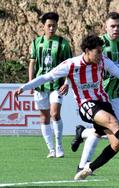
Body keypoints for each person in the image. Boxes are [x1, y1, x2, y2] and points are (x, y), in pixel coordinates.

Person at [14, 34, 119, 180]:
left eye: (102, 51)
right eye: (98, 52)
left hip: (103, 102)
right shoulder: (71, 64)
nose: (101, 55)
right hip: (86, 103)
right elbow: (47, 77)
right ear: (87, 51)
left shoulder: (103, 61)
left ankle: (88, 168)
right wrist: (24, 87)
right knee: (113, 123)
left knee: (117, 143)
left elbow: (118, 72)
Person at [70, 11, 119, 172]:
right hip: (99, 95)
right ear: (105, 27)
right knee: (105, 131)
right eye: (112, 26)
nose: (116, 29)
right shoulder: (99, 44)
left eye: (118, 25)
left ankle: (82, 133)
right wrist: (65, 81)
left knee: (118, 132)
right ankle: (82, 166)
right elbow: (77, 66)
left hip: (115, 93)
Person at [29, 12, 72, 158]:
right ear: (43, 26)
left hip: (57, 85)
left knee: (55, 113)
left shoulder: (63, 44)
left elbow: (70, 66)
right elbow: (32, 63)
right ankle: (51, 149)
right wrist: (30, 84)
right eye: (49, 25)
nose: (52, 28)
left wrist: (67, 83)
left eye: (54, 25)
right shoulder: (36, 43)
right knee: (44, 117)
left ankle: (59, 146)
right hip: (41, 85)